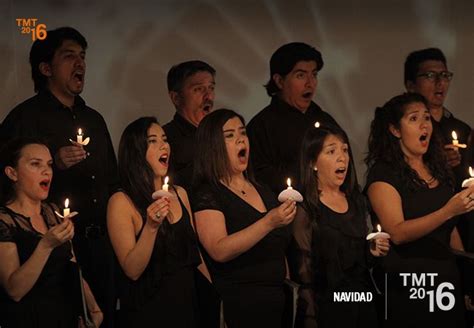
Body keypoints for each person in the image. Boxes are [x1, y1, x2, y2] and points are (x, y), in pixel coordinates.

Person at [0, 26, 118, 327]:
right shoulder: (24, 118)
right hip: (51, 254)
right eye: (69, 56)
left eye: (82, 56)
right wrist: (56, 162)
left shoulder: (94, 118)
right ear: (46, 68)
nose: (80, 63)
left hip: (101, 245)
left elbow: (112, 180)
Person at [365, 93, 474, 327]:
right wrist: (448, 211)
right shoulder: (384, 174)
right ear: (395, 130)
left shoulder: (438, 168)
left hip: (446, 281)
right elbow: (398, 233)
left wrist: (467, 276)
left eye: (426, 117)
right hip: (409, 282)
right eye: (414, 119)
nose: (425, 124)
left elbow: (450, 228)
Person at [192, 109, 296, 328]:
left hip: (276, 301)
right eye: (230, 135)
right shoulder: (208, 193)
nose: (241, 139)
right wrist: (268, 222)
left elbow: (278, 244)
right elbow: (219, 249)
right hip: (240, 303)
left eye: (242, 132)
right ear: (212, 146)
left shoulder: (263, 190)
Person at [107, 117, 207, 327]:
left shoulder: (180, 194)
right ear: (136, 153)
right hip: (149, 310)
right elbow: (132, 270)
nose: (164, 145)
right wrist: (151, 227)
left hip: (188, 306)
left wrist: (214, 297)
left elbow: (195, 255)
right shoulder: (121, 202)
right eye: (153, 141)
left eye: (165, 139)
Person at [288, 124, 389, 328]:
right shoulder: (306, 209)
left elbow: (363, 257)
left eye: (344, 149)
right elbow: (304, 270)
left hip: (361, 303)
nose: (342, 157)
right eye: (331, 151)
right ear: (313, 163)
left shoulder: (357, 201)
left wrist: (373, 250)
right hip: (327, 307)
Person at [0, 137, 102, 328]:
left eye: (49, 164)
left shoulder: (53, 213)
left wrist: (93, 307)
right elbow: (14, 290)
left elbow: (72, 267)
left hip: (64, 314)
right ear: (12, 173)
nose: (46, 171)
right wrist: (45, 246)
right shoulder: (5, 220)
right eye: (35, 164)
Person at [247, 42, 340, 195]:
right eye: (301, 75)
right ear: (279, 81)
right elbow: (259, 178)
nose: (310, 83)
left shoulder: (326, 121)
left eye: (314, 74)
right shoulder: (261, 127)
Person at [404, 48, 471, 187]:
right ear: (411, 85)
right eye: (430, 75)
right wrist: (434, 163)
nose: (440, 82)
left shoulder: (463, 130)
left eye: (444, 75)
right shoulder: (405, 129)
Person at [163, 60, 216, 191]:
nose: (208, 96)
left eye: (211, 88)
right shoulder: (165, 140)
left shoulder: (221, 135)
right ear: (176, 98)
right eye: (198, 89)